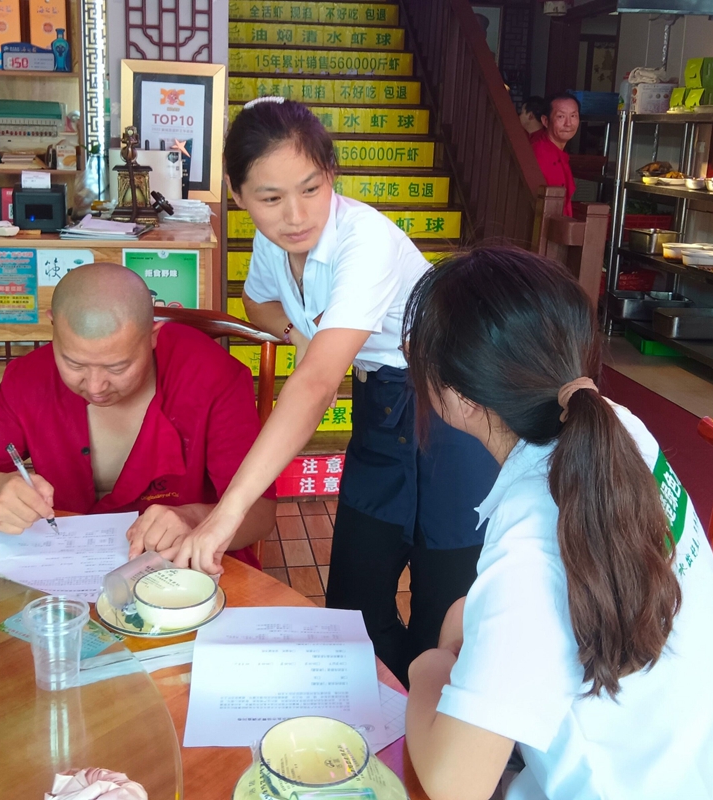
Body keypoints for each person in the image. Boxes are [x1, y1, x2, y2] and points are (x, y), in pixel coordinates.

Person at [143, 97, 500, 684]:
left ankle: (433, 741)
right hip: (383, 401)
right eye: (270, 198)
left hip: (453, 405)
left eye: (311, 189)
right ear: (236, 193)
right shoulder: (273, 242)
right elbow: (257, 301)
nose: (295, 215)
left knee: (446, 610)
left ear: (331, 176)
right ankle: (380, 724)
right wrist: (297, 332)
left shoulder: (365, 242)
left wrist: (223, 518)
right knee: (354, 606)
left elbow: (312, 385)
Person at [402, 246, 713, 800]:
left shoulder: (530, 551)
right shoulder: (618, 432)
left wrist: (429, 667)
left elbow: (453, 783)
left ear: (461, 399)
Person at [0, 263, 276, 567]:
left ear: (153, 336)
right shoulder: (32, 378)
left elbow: (261, 516)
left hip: (182, 571)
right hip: (68, 567)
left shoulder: (210, 376)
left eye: (117, 367)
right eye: (75, 364)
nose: (95, 386)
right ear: (53, 325)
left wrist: (195, 518)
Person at [530, 91, 580, 216]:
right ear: (545, 121)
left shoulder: (559, 152)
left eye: (573, 116)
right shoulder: (539, 153)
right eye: (561, 117)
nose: (568, 123)